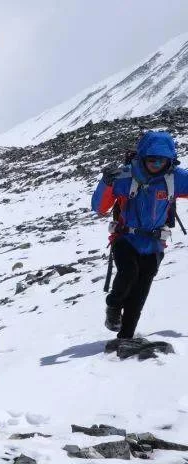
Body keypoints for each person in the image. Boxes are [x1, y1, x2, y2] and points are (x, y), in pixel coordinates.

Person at [92, 130, 188, 339]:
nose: (156, 165)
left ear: (169, 160)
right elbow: (99, 207)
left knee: (140, 291)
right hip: (125, 238)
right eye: (151, 160)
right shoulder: (124, 176)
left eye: (161, 161)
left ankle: (125, 338)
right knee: (129, 273)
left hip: (154, 243)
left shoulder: (175, 178)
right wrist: (106, 184)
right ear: (142, 157)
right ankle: (113, 307)